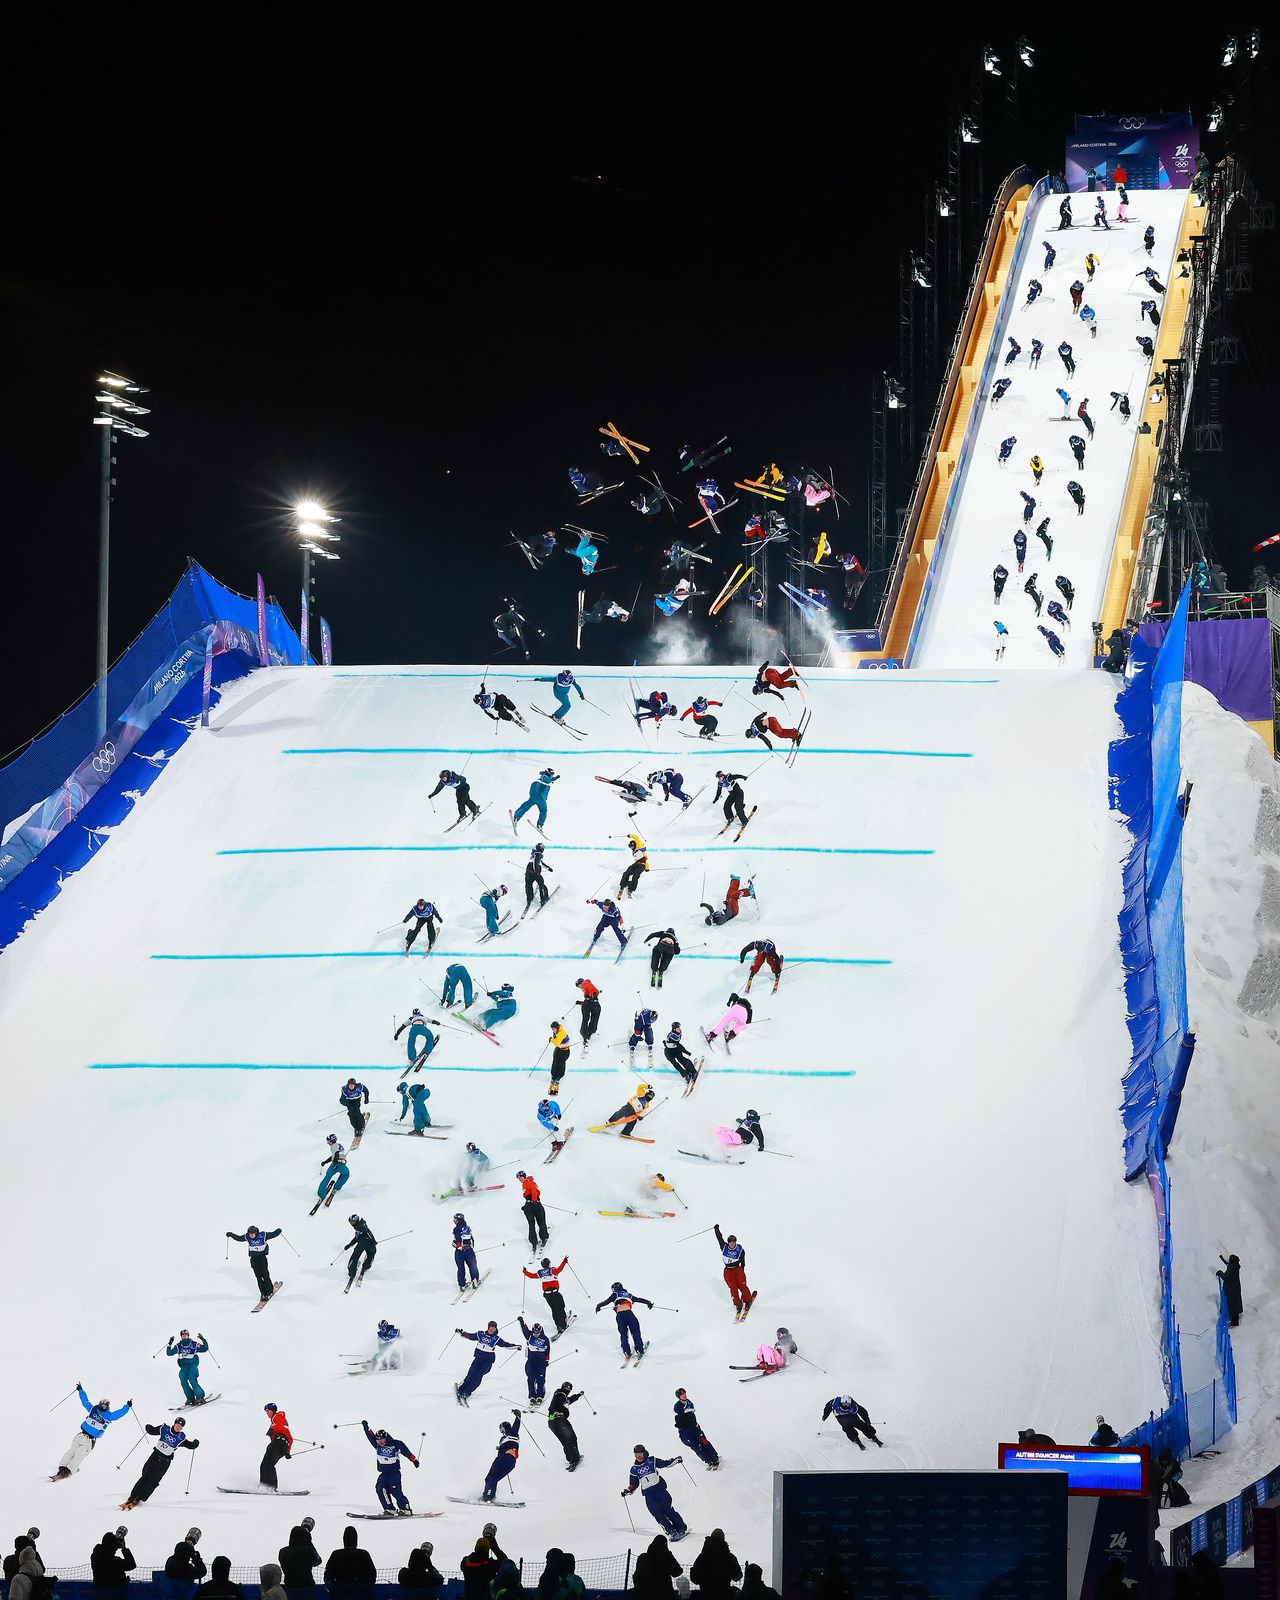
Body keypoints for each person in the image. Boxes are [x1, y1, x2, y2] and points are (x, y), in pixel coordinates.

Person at [52, 1386, 133, 1479]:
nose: (103, 1406)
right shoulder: (93, 1409)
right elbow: (85, 1402)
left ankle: (69, 1470)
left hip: (90, 1440)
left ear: (108, 1406)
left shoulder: (109, 1416)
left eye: (105, 1405)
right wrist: (80, 1390)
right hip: (81, 1435)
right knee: (71, 1451)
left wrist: (127, 1406)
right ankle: (62, 1467)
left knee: (79, 1454)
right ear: (99, 1404)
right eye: (101, 1404)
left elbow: (120, 1413)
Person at [122, 1417, 199, 1508]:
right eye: (177, 1425)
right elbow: (153, 1431)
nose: (178, 1427)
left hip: (164, 1462)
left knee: (153, 1480)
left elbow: (189, 1445)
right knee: (145, 1476)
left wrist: (194, 1444)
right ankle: (132, 1496)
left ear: (182, 1428)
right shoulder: (164, 1429)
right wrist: (149, 1428)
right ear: (174, 1424)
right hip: (154, 1457)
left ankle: (139, 1498)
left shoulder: (180, 1438)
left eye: (180, 1426)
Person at [623, 1447, 687, 1540]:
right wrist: (628, 1490)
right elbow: (634, 1483)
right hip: (649, 1495)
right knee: (657, 1513)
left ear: (644, 1453)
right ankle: (671, 1531)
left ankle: (681, 1528)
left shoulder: (651, 1461)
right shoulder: (634, 1469)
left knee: (668, 1509)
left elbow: (665, 1463)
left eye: (640, 1454)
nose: (639, 1457)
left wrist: (675, 1460)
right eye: (636, 1455)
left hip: (660, 1490)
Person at [361, 1421, 419, 1514]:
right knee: (380, 1488)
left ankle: (405, 1509)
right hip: (384, 1474)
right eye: (378, 1440)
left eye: (382, 1440)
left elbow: (406, 1452)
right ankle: (389, 1509)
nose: (380, 1442)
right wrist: (365, 1426)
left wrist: (414, 1460)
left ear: (386, 1438)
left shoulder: (395, 1444)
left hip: (394, 1474)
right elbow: (370, 1435)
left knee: (395, 1490)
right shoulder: (377, 1445)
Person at [456, 1323, 519, 1404]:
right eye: (491, 1328)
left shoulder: (496, 1339)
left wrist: (516, 1346)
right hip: (478, 1358)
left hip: (488, 1361)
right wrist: (462, 1332)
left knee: (478, 1375)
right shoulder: (480, 1334)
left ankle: (467, 1392)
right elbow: (470, 1336)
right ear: (488, 1327)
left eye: (494, 1329)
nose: (492, 1330)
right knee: (471, 1372)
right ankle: (461, 1389)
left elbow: (505, 1344)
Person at [596, 1282, 653, 1358]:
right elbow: (639, 1299)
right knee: (635, 1331)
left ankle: (626, 1351)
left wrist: (598, 1306)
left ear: (615, 1288)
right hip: (629, 1314)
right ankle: (639, 1349)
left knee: (623, 1334)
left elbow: (607, 1301)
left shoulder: (616, 1294)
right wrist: (648, 1303)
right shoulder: (628, 1295)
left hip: (620, 1316)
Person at [673, 1389, 719, 1469]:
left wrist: (696, 1425)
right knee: (696, 1446)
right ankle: (709, 1461)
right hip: (686, 1431)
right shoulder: (677, 1406)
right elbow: (680, 1419)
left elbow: (692, 1416)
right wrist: (680, 1425)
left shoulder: (689, 1403)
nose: (684, 1395)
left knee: (704, 1441)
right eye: (682, 1394)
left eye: (685, 1393)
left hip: (694, 1427)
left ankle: (715, 1457)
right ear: (679, 1397)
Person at [524, 1256, 571, 1333]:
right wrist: (564, 1261)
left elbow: (532, 1276)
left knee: (554, 1309)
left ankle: (558, 1325)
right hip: (555, 1293)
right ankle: (563, 1325)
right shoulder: (551, 1270)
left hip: (547, 1295)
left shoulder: (540, 1273)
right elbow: (559, 1269)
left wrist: (525, 1272)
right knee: (560, 1308)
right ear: (549, 1263)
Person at [713, 1225, 753, 1313]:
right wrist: (716, 1229)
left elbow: (742, 1261)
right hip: (728, 1271)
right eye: (730, 1242)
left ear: (735, 1242)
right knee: (733, 1288)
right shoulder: (724, 1247)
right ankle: (738, 1304)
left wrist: (742, 1270)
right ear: (728, 1243)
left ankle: (748, 1300)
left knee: (742, 1286)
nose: (732, 1243)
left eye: (733, 1242)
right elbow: (719, 1238)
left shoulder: (740, 1250)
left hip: (737, 1269)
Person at [689, 1532, 741, 1600]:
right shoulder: (729, 1557)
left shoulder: (702, 1557)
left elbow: (694, 1578)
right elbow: (737, 1577)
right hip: (725, 1595)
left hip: (705, 1595)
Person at [483, 1413, 522, 1502]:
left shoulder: (513, 1434)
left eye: (502, 1429)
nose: (501, 1432)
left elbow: (516, 1426)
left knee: (492, 1478)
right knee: (490, 1478)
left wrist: (518, 1416)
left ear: (504, 1428)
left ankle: (488, 1497)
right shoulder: (503, 1439)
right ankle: (488, 1495)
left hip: (506, 1459)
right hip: (506, 1461)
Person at [166, 1331, 210, 1405]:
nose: (184, 1336)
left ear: (188, 1336)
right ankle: (190, 1398)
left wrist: (203, 1339)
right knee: (182, 1377)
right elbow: (169, 1353)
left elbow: (205, 1348)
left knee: (191, 1377)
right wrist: (169, 1344)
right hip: (184, 1367)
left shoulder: (193, 1344)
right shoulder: (178, 1346)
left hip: (192, 1365)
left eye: (186, 1335)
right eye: (183, 1335)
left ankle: (200, 1396)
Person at [547, 1383, 584, 1469]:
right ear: (562, 1388)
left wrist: (579, 1395)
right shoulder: (560, 1394)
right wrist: (556, 1414)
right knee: (571, 1438)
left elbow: (571, 1399)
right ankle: (575, 1459)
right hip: (560, 1421)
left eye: (569, 1389)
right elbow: (554, 1405)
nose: (568, 1390)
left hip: (553, 1422)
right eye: (566, 1388)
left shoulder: (565, 1399)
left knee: (565, 1440)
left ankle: (571, 1459)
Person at [517, 1317, 552, 1405]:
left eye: (537, 1332)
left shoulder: (545, 1339)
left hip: (541, 1362)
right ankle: (532, 1396)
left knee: (540, 1379)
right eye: (534, 1332)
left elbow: (547, 1351)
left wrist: (546, 1360)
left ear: (541, 1331)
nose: (536, 1334)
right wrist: (521, 1321)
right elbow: (524, 1330)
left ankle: (540, 1395)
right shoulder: (529, 1336)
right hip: (531, 1361)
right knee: (531, 1378)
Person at [260, 1404, 293, 1490]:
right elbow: (290, 1439)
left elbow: (279, 1424)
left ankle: (270, 1487)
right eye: (266, 1411)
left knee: (267, 1464)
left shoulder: (278, 1416)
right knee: (265, 1464)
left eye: (268, 1410)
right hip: (281, 1444)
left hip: (279, 1442)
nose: (266, 1413)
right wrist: (287, 1451)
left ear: (273, 1410)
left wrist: (272, 1429)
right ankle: (264, 1486)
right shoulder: (276, 1420)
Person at [278, 1524, 321, 1589]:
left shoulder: (283, 1552)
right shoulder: (308, 1552)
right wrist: (309, 1543)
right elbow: (318, 1561)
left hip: (289, 1587)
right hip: (308, 1588)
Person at [344, 1215, 377, 1289]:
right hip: (369, 1244)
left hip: (363, 1244)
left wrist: (373, 1240)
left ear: (356, 1221)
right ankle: (366, 1266)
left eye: (352, 1222)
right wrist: (349, 1245)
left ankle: (352, 1273)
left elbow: (368, 1232)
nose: (351, 1223)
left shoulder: (360, 1226)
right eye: (350, 1222)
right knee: (372, 1253)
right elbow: (357, 1237)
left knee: (355, 1255)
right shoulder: (360, 1225)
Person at [519, 1171, 549, 1249]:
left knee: (532, 1224)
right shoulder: (531, 1182)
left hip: (532, 1205)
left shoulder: (526, 1182)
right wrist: (526, 1206)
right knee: (540, 1222)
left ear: (524, 1176)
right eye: (518, 1178)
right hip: (534, 1205)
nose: (519, 1179)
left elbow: (533, 1190)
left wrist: (534, 1200)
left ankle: (534, 1242)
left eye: (520, 1177)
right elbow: (534, 1191)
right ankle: (543, 1237)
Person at [317, 1135, 349, 1203]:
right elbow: (333, 1156)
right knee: (346, 1174)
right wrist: (325, 1162)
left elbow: (336, 1154)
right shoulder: (338, 1145)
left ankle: (321, 1194)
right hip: (341, 1165)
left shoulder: (334, 1146)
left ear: (331, 1141)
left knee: (327, 1177)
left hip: (335, 1164)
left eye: (328, 1141)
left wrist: (335, 1164)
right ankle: (337, 1187)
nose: (328, 1143)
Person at [453, 1214, 480, 1290]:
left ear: (458, 1220)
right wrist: (471, 1248)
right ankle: (475, 1280)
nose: (454, 1221)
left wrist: (456, 1245)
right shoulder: (467, 1227)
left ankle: (462, 1285)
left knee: (461, 1268)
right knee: (473, 1265)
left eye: (455, 1219)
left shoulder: (456, 1229)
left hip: (459, 1252)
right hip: (469, 1250)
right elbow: (472, 1239)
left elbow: (457, 1241)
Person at [525, 844, 553, 911]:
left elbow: (540, 862)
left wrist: (548, 868)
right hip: (535, 873)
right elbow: (536, 863)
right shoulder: (539, 854)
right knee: (541, 884)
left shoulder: (534, 854)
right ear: (541, 849)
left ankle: (529, 898)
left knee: (528, 884)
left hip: (528, 871)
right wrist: (536, 872)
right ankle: (544, 899)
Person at [1217, 1253, 1243, 1326]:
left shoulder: (1231, 1268)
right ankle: (1235, 1320)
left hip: (1231, 1290)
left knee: (1233, 1306)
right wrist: (1222, 1258)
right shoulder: (1235, 1266)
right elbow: (1228, 1264)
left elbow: (1226, 1277)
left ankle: (1235, 1323)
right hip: (1235, 1289)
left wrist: (1220, 1273)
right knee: (1235, 1305)